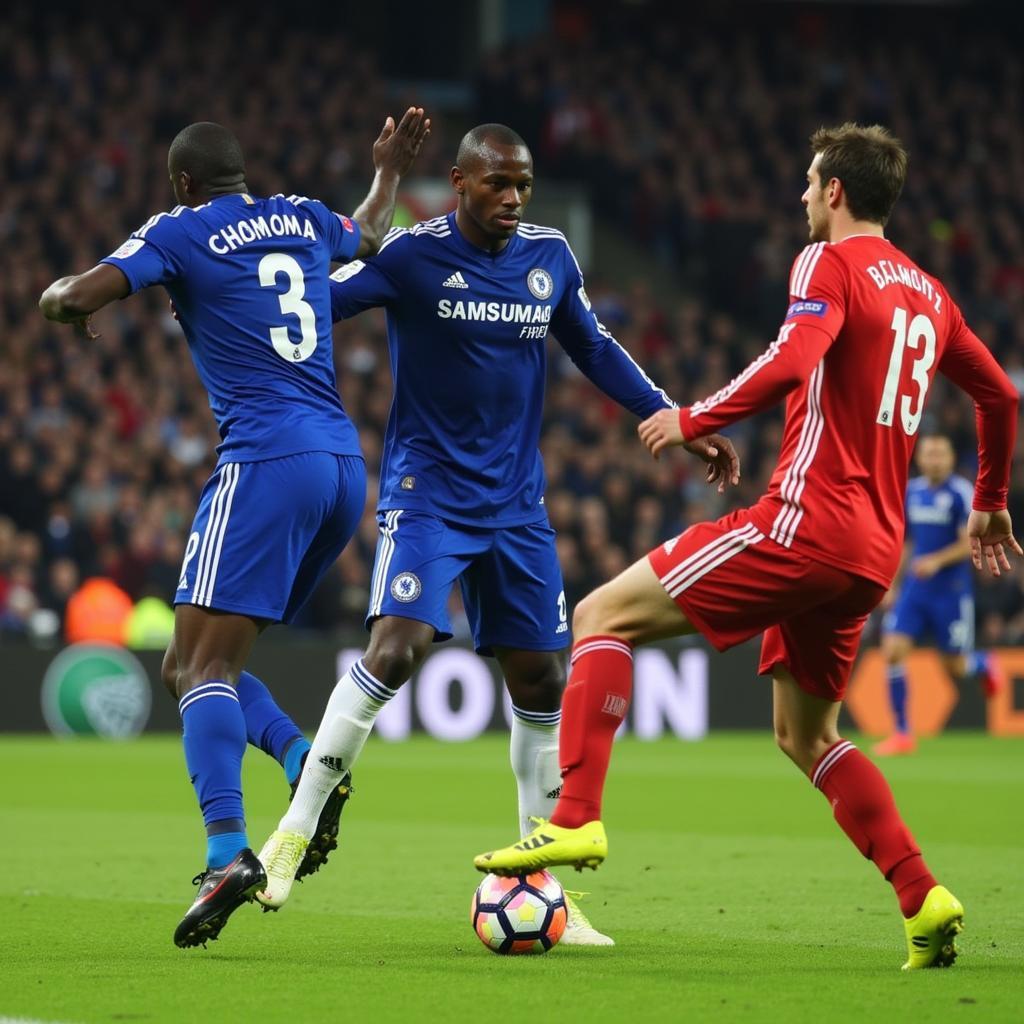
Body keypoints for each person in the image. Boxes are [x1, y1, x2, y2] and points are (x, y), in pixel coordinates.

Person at [472, 123, 1020, 971]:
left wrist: (695, 417)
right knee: (809, 736)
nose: (801, 197)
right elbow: (998, 398)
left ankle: (576, 812)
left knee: (599, 615)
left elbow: (794, 356)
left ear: (836, 191)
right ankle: (923, 896)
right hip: (872, 554)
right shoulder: (931, 294)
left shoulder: (828, 263)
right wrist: (989, 501)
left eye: (809, 184)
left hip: (807, 521)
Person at [254, 123, 738, 945]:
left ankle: (538, 879)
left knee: (541, 680)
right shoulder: (411, 256)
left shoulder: (549, 258)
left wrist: (672, 416)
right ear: (459, 181)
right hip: (428, 494)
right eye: (497, 185)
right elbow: (316, 302)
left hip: (516, 505)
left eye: (523, 185)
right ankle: (292, 835)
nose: (514, 199)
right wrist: (235, 289)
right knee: (394, 650)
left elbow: (595, 345)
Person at [39, 111, 430, 948]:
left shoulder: (181, 227)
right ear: (241, 173)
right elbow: (367, 231)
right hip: (338, 469)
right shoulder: (299, 213)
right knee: (195, 666)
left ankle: (226, 852)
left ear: (183, 182)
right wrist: (388, 170)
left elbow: (82, 291)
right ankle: (301, 766)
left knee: (198, 667)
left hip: (263, 463)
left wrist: (57, 303)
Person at [876, 432, 1006, 756]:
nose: (934, 460)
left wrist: (936, 560)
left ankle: (983, 664)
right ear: (920, 458)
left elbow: (969, 543)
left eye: (940, 454)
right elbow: (907, 543)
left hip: (951, 592)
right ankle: (903, 732)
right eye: (929, 454)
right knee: (892, 650)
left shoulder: (962, 494)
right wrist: (893, 584)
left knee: (954, 666)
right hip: (916, 591)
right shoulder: (912, 492)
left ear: (950, 459)